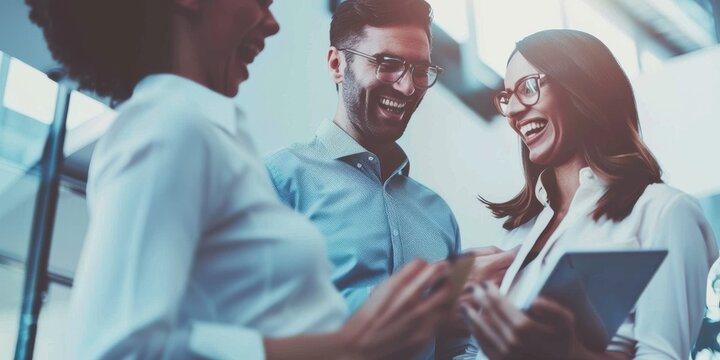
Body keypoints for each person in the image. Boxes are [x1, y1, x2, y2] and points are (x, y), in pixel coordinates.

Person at [26, 0, 457, 358]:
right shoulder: (169, 127)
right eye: (261, 1)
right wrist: (346, 344)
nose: (272, 23)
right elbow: (117, 350)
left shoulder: (210, 137)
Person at [264, 0, 516, 358]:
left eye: (420, 70)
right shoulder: (276, 181)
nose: (407, 87)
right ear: (337, 64)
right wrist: (436, 292)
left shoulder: (437, 214)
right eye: (387, 64)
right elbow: (257, 324)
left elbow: (452, 344)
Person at [460, 29, 719, 359]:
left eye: (528, 88)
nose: (512, 110)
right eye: (507, 96)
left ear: (581, 87)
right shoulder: (514, 236)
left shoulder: (665, 213)